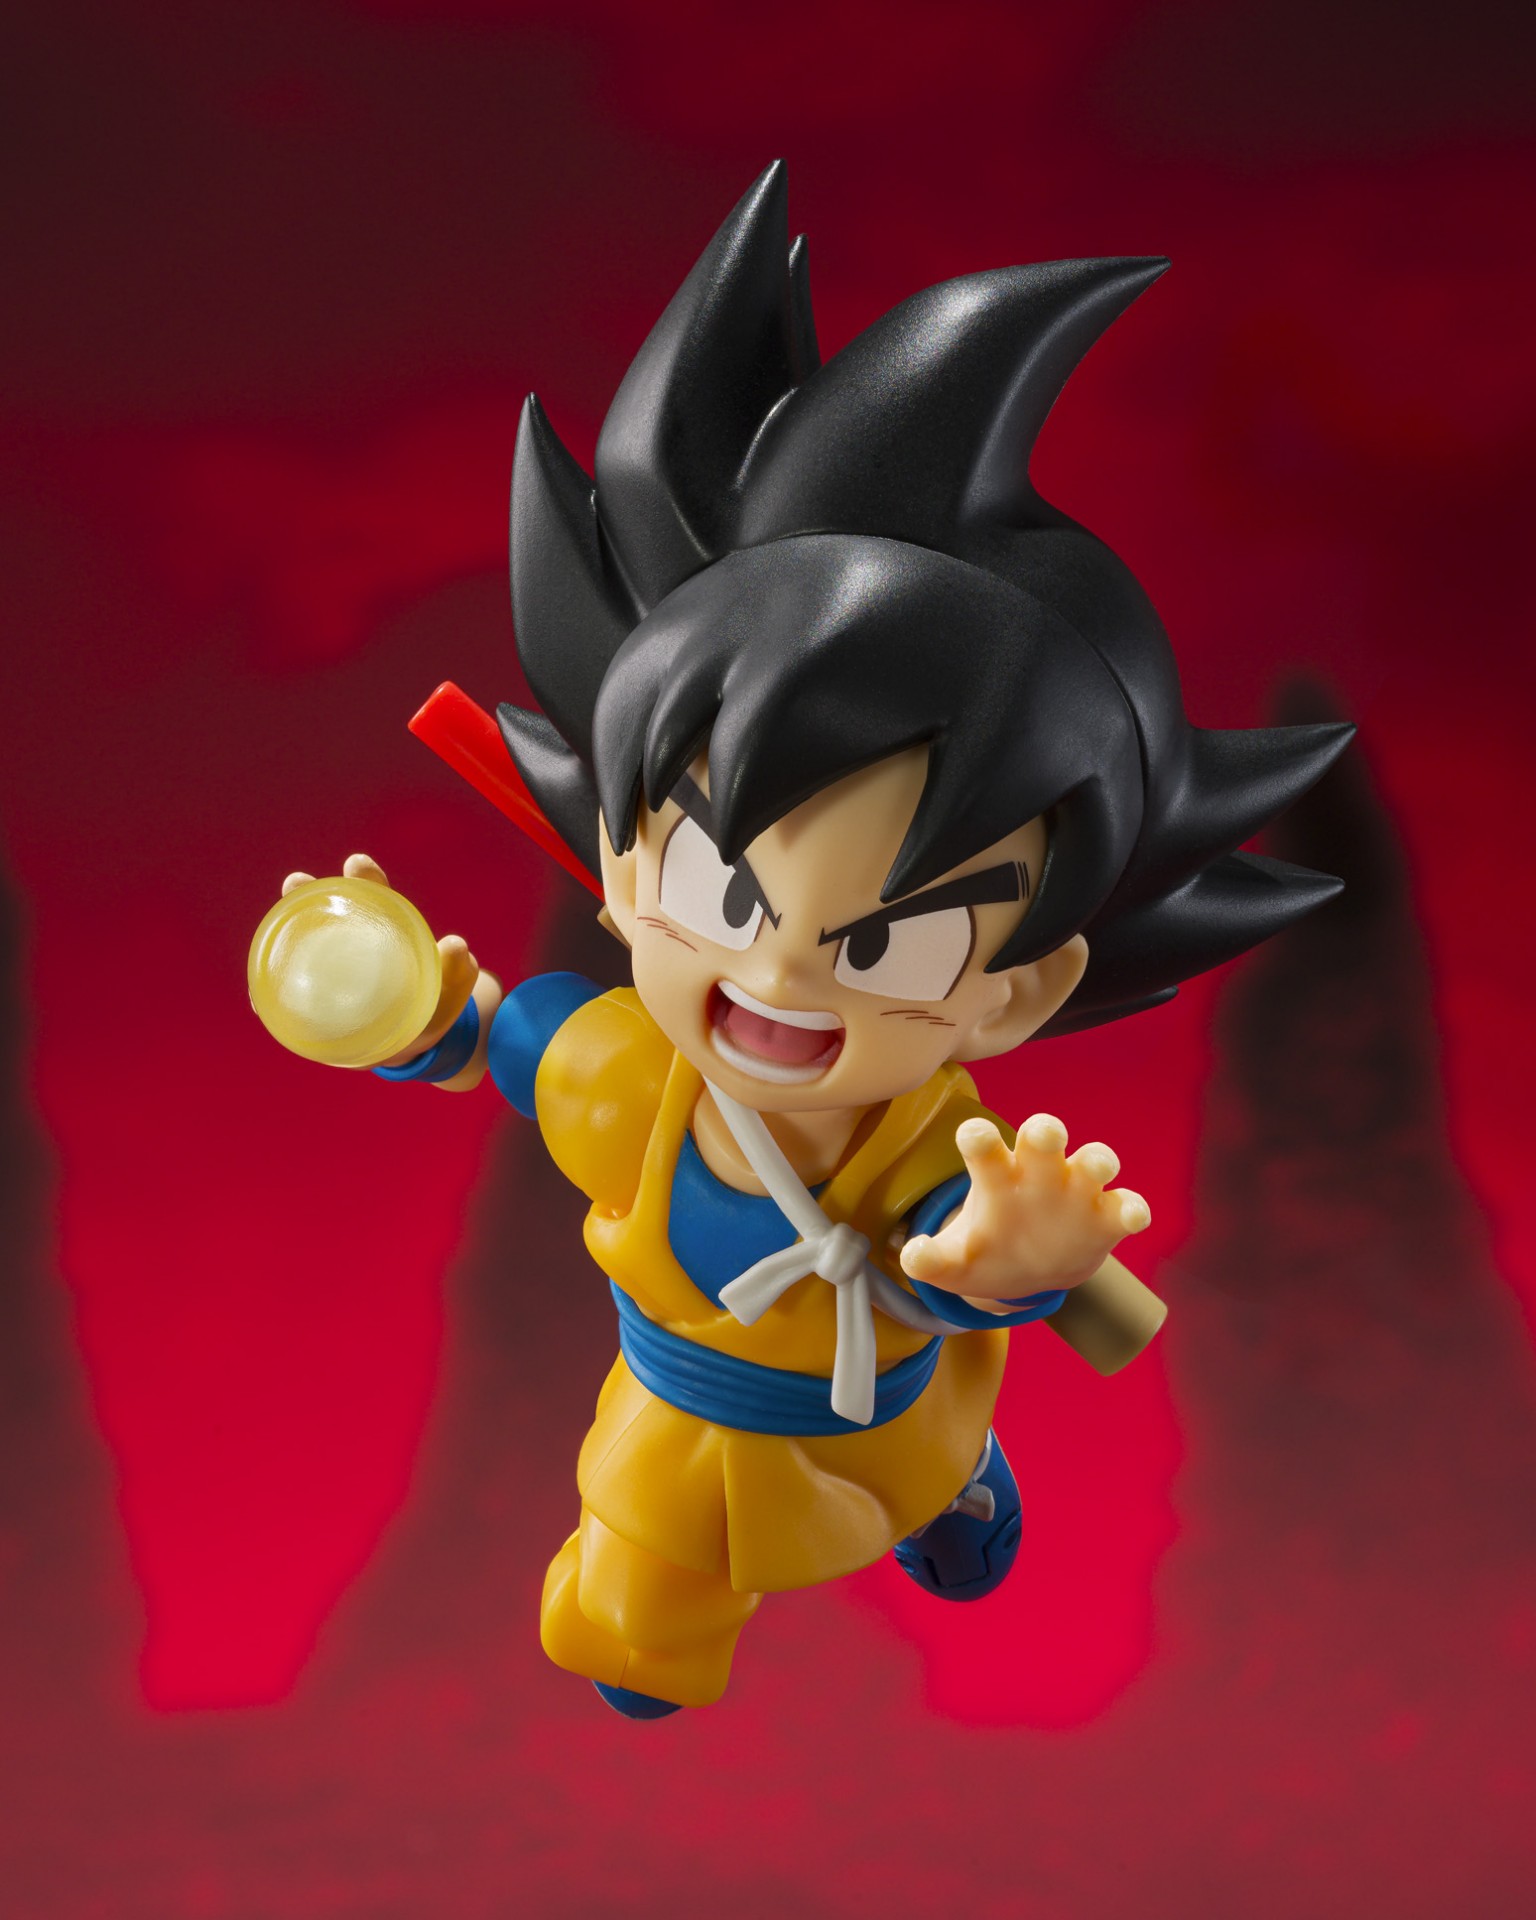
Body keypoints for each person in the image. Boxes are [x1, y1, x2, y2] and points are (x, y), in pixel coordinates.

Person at [275, 164, 1350, 1718]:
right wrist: (408, 1011)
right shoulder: (624, 1075)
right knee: (629, 1625)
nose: (777, 976)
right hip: (682, 1420)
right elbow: (499, 1045)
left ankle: (949, 1486)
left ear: (1020, 989)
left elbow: (957, 1257)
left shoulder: (924, 1150)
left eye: (890, 944)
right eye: (722, 895)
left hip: (886, 1410)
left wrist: (1011, 1269)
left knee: (922, 1467)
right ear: (624, 864)